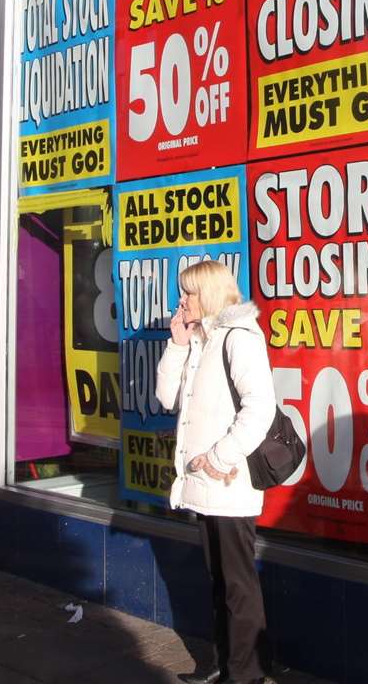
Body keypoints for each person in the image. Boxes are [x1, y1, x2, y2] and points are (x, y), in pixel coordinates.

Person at [158, 261, 275, 684]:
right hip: (204, 486)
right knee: (221, 582)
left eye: (187, 293)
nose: (181, 301)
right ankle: (225, 668)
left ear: (207, 294)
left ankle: (246, 676)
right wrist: (176, 344)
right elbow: (167, 397)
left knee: (238, 586)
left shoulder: (239, 339)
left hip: (229, 484)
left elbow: (260, 408)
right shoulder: (201, 341)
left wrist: (219, 457)